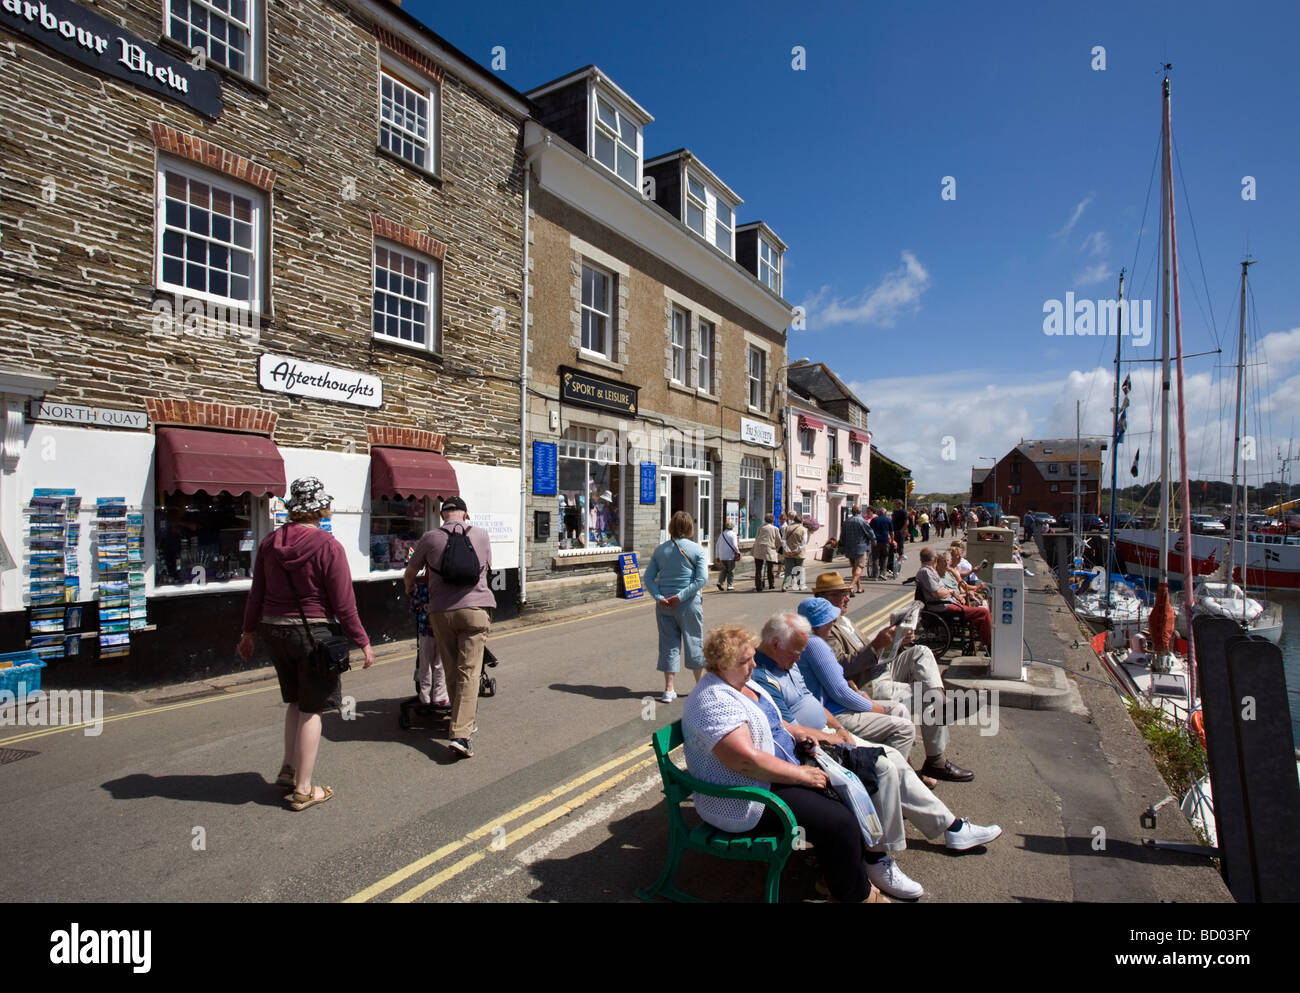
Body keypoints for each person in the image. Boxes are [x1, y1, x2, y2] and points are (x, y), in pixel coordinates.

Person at [750, 612, 1002, 864]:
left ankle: (951, 827)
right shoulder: (763, 675)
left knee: (893, 758)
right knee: (883, 763)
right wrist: (837, 738)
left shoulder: (787, 662)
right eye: (795, 652)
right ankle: (878, 855)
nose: (798, 658)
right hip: (812, 746)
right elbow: (792, 730)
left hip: (830, 732)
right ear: (775, 644)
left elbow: (811, 701)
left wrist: (838, 727)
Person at [684, 624, 895, 902]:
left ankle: (837, 877)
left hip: (769, 775)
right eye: (745, 661)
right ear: (721, 664)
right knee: (839, 821)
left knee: (852, 787)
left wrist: (807, 734)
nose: (754, 664)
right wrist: (800, 775)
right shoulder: (713, 701)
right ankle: (858, 895)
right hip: (746, 797)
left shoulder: (741, 682)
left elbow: (774, 720)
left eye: (752, 657)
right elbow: (745, 761)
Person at [240, 477, 374, 811]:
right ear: (320, 508)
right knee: (313, 708)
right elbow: (344, 603)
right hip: (313, 634)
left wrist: (247, 633)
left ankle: (288, 769)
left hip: (274, 631)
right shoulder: (328, 546)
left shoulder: (270, 543)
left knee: (296, 702)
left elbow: (256, 593)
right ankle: (303, 788)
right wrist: (362, 641)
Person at [812, 571, 975, 782]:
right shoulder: (825, 629)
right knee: (925, 699)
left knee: (921, 652)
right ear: (825, 598)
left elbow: (868, 651)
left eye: (848, 593)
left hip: (878, 667)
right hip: (867, 682)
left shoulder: (844, 620)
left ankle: (939, 698)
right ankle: (935, 762)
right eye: (841, 594)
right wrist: (877, 645)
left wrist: (896, 641)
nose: (848, 598)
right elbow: (839, 667)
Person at [404, 495, 495, 759]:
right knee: (470, 671)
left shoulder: (430, 538)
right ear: (465, 514)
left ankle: (460, 724)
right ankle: (461, 734)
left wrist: (410, 589)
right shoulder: (481, 535)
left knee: (452, 669)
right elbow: (487, 568)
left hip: (441, 612)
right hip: (475, 610)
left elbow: (411, 573)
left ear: (443, 515)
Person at [793, 597, 915, 754]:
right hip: (835, 713)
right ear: (820, 623)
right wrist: (874, 707)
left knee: (899, 709)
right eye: (830, 619)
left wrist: (863, 695)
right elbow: (840, 692)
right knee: (904, 729)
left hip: (838, 706)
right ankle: (885, 768)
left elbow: (839, 682)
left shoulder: (814, 641)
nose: (834, 622)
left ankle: (903, 764)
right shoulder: (815, 644)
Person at [643, 510, 709, 703]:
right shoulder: (697, 549)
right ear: (690, 527)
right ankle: (699, 687)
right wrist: (680, 597)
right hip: (688, 603)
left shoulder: (660, 550)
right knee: (694, 641)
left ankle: (668, 689)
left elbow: (648, 578)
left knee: (668, 644)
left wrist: (659, 596)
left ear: (671, 526)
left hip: (664, 605)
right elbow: (702, 578)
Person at [916, 546, 992, 651]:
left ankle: (985, 639)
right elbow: (937, 593)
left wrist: (956, 594)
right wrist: (951, 592)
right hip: (942, 606)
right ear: (934, 559)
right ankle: (990, 646)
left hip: (947, 603)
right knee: (983, 613)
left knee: (981, 608)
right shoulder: (926, 572)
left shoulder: (930, 571)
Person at [838, 505, 872, 595]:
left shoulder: (846, 522)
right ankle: (851, 586)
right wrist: (873, 539)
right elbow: (870, 533)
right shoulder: (862, 521)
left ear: (852, 512)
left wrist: (842, 545)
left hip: (849, 547)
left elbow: (842, 536)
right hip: (860, 547)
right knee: (860, 567)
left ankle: (859, 587)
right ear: (860, 512)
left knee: (854, 567)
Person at [751, 512, 782, 591]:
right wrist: (778, 548)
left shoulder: (760, 527)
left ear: (765, 520)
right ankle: (771, 584)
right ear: (772, 520)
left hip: (759, 548)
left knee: (758, 569)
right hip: (769, 549)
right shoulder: (775, 529)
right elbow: (778, 540)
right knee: (770, 568)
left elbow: (756, 538)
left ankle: (758, 586)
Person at [782, 513, 809, 591]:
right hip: (799, 553)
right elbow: (804, 542)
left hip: (788, 553)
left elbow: (783, 540)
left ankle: (785, 585)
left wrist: (788, 550)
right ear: (801, 521)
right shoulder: (804, 529)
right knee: (799, 569)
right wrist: (797, 550)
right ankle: (800, 585)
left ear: (794, 520)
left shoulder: (786, 528)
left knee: (788, 570)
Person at [715, 516, 741, 592]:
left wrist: (717, 556)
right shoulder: (733, 534)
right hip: (730, 556)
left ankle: (720, 582)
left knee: (724, 570)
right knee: (731, 570)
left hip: (722, 555)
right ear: (732, 526)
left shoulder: (722, 534)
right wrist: (738, 552)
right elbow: (735, 545)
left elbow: (717, 545)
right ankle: (730, 585)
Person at [869, 505, 894, 579]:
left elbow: (870, 530)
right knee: (885, 557)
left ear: (879, 513)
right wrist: (892, 541)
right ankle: (883, 573)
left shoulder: (874, 520)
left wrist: (871, 540)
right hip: (885, 541)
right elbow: (892, 532)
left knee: (875, 558)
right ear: (885, 513)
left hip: (876, 541)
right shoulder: (888, 520)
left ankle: (875, 574)